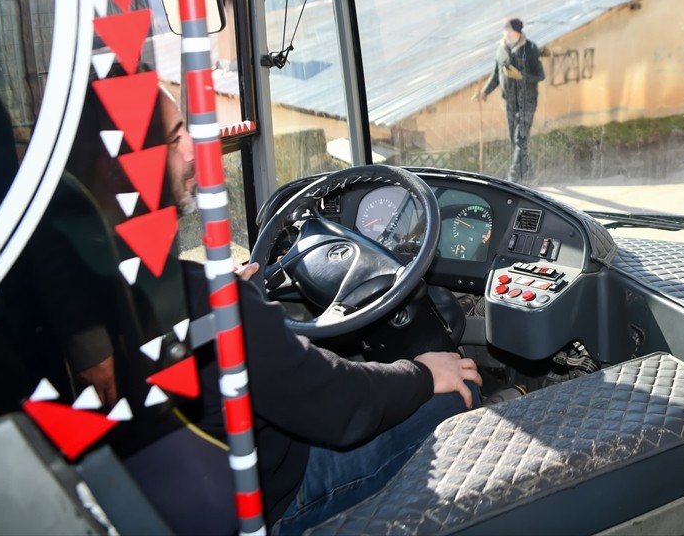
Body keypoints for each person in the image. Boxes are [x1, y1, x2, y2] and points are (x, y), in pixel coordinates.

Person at [160, 88, 483, 534]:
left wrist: (239, 298)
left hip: (203, 491)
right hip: (275, 496)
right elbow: (339, 404)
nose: (194, 150)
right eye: (176, 138)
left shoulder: (132, 295)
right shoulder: (211, 303)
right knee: (457, 390)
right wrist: (425, 372)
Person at [476, 17, 545, 183]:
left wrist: (522, 77)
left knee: (520, 138)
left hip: (527, 100)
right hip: (508, 101)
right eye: (504, 30)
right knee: (514, 141)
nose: (505, 33)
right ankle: (528, 173)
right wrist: (485, 91)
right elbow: (496, 74)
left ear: (517, 31)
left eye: (508, 29)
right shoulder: (501, 49)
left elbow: (540, 75)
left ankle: (513, 177)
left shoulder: (530, 48)